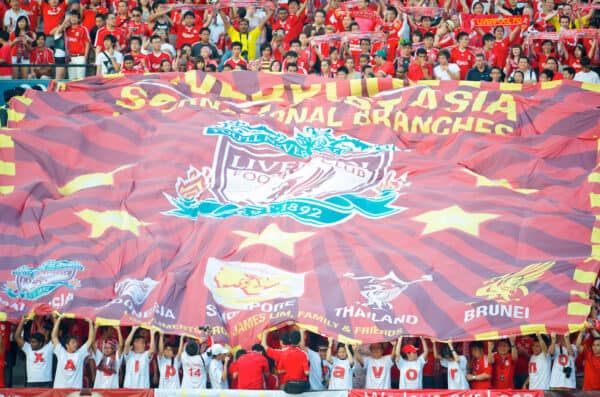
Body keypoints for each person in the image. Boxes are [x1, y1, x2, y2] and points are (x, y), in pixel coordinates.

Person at [52, 315, 95, 388]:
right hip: (59, 390)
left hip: (75, 391)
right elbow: (54, 337)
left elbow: (90, 339)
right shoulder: (61, 352)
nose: (76, 344)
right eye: (73, 342)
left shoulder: (80, 354)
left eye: (76, 342)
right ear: (67, 345)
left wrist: (90, 323)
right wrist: (58, 320)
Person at [15, 316, 54, 387]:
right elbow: (17, 337)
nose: (31, 344)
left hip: (46, 382)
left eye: (34, 342)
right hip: (31, 382)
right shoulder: (28, 348)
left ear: (40, 343)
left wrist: (54, 319)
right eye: (31, 342)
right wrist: (22, 321)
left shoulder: (49, 349)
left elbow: (55, 336)